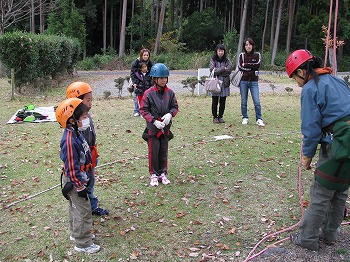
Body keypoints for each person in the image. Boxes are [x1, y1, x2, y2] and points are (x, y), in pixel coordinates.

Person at [286, 49, 350, 251]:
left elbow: (311, 128)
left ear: (302, 72)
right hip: (345, 142)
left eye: (294, 77)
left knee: (321, 191)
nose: (296, 83)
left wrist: (307, 156)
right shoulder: (336, 80)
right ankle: (330, 234)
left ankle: (308, 238)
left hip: (339, 143)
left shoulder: (310, 89)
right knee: (340, 191)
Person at [56, 98, 100, 254]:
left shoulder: (76, 132)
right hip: (76, 183)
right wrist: (80, 186)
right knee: (83, 211)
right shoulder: (69, 141)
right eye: (83, 118)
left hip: (80, 179)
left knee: (76, 209)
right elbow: (71, 168)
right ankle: (83, 243)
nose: (86, 120)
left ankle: (77, 235)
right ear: (72, 120)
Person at [66, 81, 109, 216]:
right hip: (82, 161)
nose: (91, 103)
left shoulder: (86, 116)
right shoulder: (75, 123)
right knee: (85, 183)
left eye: (92, 99)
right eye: (88, 100)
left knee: (91, 182)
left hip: (90, 155)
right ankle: (85, 209)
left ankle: (92, 205)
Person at [139, 63, 179, 186]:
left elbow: (175, 107)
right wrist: (154, 121)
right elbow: (143, 110)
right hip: (153, 129)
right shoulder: (149, 93)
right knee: (153, 151)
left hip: (165, 129)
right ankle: (154, 174)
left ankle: (163, 173)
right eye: (161, 78)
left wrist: (170, 115)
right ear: (155, 79)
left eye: (165, 78)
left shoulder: (170, 93)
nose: (163, 80)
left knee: (163, 151)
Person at [238, 37, 265, 126]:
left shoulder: (257, 55)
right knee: (244, 101)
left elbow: (257, 65)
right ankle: (245, 117)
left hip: (254, 81)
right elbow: (240, 67)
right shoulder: (241, 55)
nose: (248, 46)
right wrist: (251, 67)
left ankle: (259, 118)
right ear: (244, 46)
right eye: (246, 45)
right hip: (243, 81)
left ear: (252, 45)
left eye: (249, 44)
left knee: (257, 101)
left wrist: (246, 65)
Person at [209, 44, 232, 123]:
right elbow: (212, 70)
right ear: (216, 51)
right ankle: (215, 117)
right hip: (215, 83)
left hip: (225, 83)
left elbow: (229, 71)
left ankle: (220, 116)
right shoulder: (213, 60)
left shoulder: (227, 60)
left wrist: (219, 71)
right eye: (219, 51)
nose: (220, 52)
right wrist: (223, 69)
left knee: (223, 101)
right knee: (214, 101)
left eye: (222, 51)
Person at [130, 48, 153, 117]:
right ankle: (137, 111)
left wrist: (150, 81)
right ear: (141, 55)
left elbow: (152, 71)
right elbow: (132, 73)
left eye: (147, 55)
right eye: (144, 55)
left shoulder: (150, 62)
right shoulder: (136, 62)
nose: (146, 56)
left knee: (147, 96)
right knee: (137, 96)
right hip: (137, 80)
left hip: (146, 80)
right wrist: (135, 82)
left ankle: (147, 110)